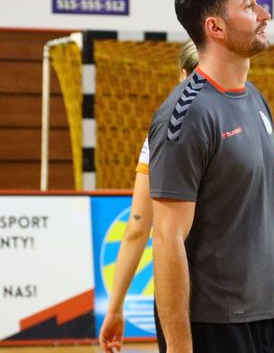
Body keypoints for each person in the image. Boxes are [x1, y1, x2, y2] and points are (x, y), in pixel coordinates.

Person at [149, 0, 274, 353]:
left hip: (270, 320)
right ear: (216, 28)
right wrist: (179, 346)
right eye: (249, 6)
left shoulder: (256, 98)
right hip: (217, 326)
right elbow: (167, 240)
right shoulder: (186, 115)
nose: (264, 14)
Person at [99, 40, 199, 353]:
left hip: (180, 293)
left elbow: (137, 229)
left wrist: (114, 308)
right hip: (245, 294)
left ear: (183, 74)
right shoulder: (255, 122)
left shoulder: (165, 130)